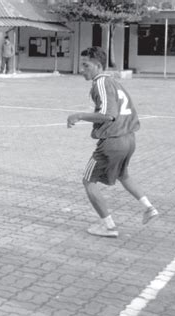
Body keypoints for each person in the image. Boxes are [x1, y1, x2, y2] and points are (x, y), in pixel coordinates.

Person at [67, 46, 158, 238]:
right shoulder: (113, 82)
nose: (82, 69)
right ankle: (148, 207)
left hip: (113, 142)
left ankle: (108, 226)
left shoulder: (100, 82)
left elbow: (108, 115)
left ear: (98, 66)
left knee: (88, 181)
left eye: (86, 65)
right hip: (129, 138)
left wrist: (79, 115)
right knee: (123, 175)